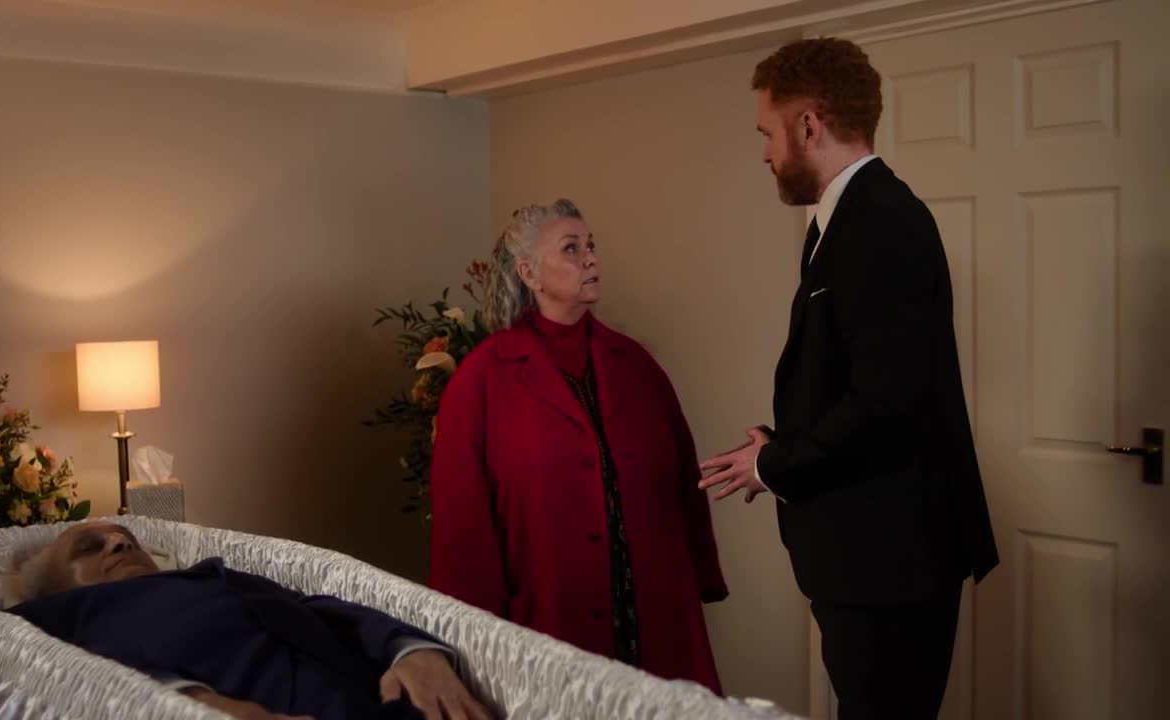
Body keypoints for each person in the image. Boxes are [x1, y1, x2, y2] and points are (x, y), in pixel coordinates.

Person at [696, 38, 999, 719]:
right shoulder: (841, 220)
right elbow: (859, 379)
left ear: (809, 125)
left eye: (767, 132)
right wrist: (782, 442)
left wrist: (774, 464)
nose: (764, 152)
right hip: (866, 553)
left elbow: (887, 399)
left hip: (891, 560)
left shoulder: (883, 219)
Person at [427, 199, 728, 694]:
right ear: (529, 273)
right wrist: (471, 636)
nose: (591, 258)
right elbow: (463, 525)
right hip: (544, 621)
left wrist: (699, 576)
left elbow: (681, 484)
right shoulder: (480, 380)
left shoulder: (637, 364)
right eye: (571, 248)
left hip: (656, 613)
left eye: (591, 246)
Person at [5, 521, 493, 720]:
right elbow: (86, 682)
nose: (119, 542)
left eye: (126, 538)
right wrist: (195, 705)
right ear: (54, 591)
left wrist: (411, 650)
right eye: (89, 548)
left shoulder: (213, 576)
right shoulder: (56, 624)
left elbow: (319, 606)